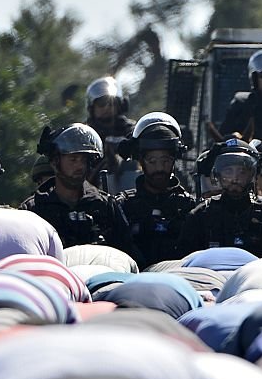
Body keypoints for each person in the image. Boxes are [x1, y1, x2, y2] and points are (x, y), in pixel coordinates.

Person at [20, 123, 139, 258]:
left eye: (83, 160)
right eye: (73, 159)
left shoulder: (105, 206)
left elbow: (128, 255)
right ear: (54, 162)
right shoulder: (34, 209)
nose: (80, 166)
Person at [178, 139, 262, 257]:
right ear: (218, 174)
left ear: (252, 174)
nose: (235, 179)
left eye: (242, 172)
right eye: (228, 171)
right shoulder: (200, 216)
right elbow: (187, 262)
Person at [115, 112, 200, 267]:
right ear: (140, 161)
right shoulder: (122, 207)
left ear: (175, 159)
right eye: (152, 161)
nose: (159, 168)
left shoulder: (191, 208)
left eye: (166, 160)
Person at [84, 75, 138, 192]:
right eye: (101, 103)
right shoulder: (85, 134)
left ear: (120, 105)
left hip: (131, 188)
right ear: (92, 107)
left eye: (111, 102)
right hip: (93, 190)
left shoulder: (132, 130)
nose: (107, 107)